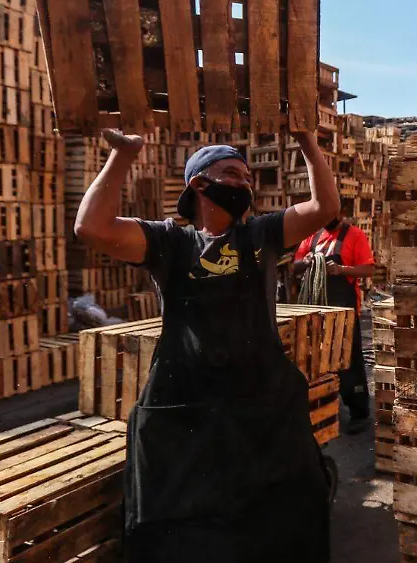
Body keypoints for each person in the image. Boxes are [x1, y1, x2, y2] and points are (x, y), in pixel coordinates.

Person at [73, 128, 339, 563]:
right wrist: (123, 154)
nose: (244, 184)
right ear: (199, 183)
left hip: (260, 408)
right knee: (188, 530)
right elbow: (91, 227)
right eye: (233, 174)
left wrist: (307, 141)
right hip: (189, 412)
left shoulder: (263, 235)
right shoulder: (170, 242)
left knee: (279, 523)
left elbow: (325, 207)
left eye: (248, 178)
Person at [292, 205, 375, 434]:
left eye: (332, 214)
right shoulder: (313, 236)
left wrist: (341, 269)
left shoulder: (355, 235)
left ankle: (359, 412)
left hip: (344, 311)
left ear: (342, 213)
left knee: (349, 360)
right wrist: (307, 261)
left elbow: (368, 270)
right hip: (316, 311)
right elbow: (295, 266)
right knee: (317, 361)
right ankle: (324, 408)